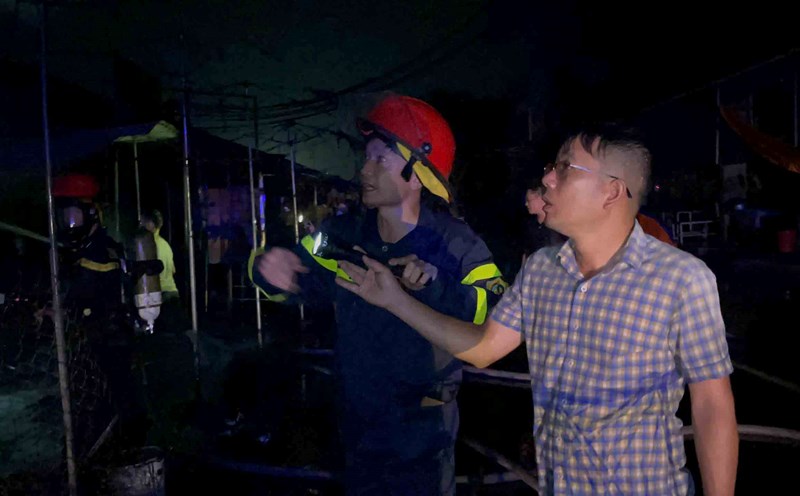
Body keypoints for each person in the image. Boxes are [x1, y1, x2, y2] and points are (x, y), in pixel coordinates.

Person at [336, 124, 738, 496]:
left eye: (565, 168)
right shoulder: (542, 270)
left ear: (612, 192)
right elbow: (483, 348)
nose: (548, 179)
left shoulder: (682, 278)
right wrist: (395, 300)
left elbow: (712, 406)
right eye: (552, 167)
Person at [249, 94, 508, 495]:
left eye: (379, 159)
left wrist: (434, 286)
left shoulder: (456, 244)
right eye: (366, 157)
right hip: (358, 428)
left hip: (423, 435)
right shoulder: (342, 234)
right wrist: (269, 270)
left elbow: (495, 314)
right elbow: (300, 274)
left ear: (419, 172)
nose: (364, 170)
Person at [523, 183, 566, 264]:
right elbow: (526, 253)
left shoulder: (557, 226)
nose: (526, 204)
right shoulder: (530, 226)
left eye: (528, 200)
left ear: (541, 199)